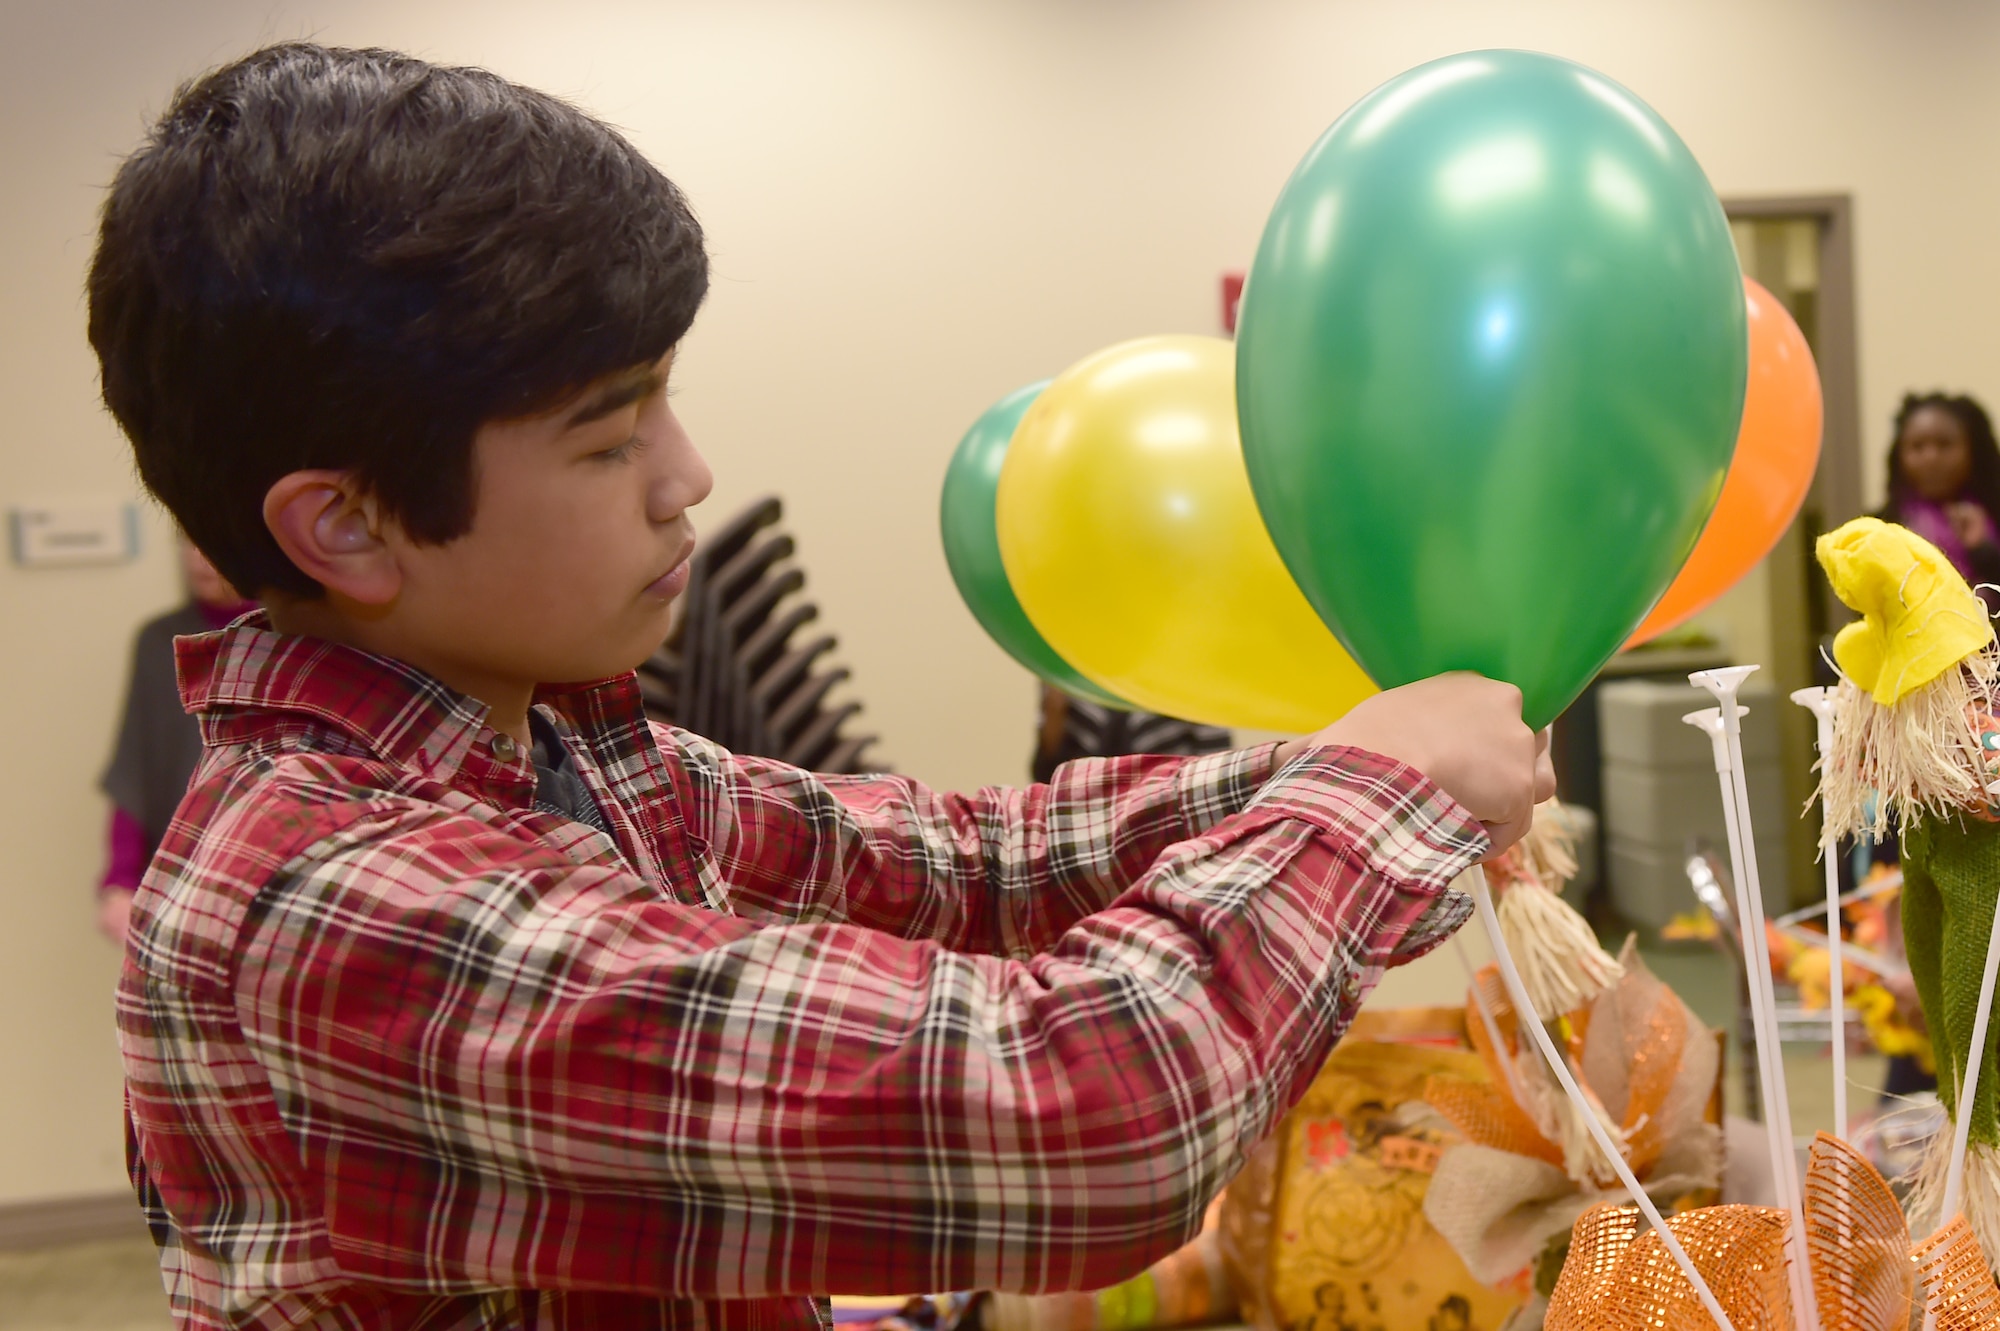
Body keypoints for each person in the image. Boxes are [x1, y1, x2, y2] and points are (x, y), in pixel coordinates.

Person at [89, 43, 1550, 1329]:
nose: (688, 477)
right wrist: (1375, 798)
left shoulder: (566, 751)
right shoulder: (338, 894)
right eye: (609, 439)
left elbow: (957, 862)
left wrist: (1323, 773)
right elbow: (1087, 1116)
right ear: (345, 524)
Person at [96, 536, 253, 942]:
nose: (201, 558)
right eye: (188, 542)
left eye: (210, 540)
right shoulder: (159, 640)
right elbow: (135, 761)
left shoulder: (290, 635)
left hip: (261, 860)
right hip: (178, 870)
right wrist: (121, 878)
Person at [1878, 391, 2000, 601]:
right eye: (1917, 446)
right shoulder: (1882, 525)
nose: (1931, 458)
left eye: (1944, 444)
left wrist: (1983, 550)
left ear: (1972, 449)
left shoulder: (1993, 515)